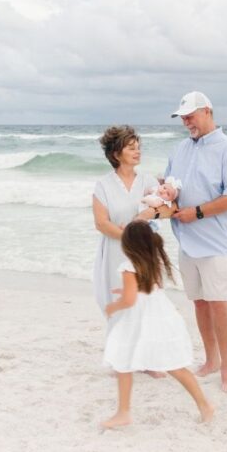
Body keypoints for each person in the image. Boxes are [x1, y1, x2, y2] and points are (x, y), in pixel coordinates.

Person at [167, 91, 227, 393]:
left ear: (208, 112)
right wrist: (166, 194)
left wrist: (198, 212)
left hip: (217, 242)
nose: (186, 121)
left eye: (190, 115)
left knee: (219, 303)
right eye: (183, 117)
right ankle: (211, 359)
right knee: (200, 302)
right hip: (187, 240)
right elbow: (170, 185)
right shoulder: (180, 150)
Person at [102, 221, 214, 429]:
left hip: (140, 321)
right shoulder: (152, 260)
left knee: (123, 363)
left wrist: (114, 307)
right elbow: (147, 289)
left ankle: (123, 412)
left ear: (127, 244)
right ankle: (204, 405)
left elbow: (129, 301)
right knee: (175, 366)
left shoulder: (128, 266)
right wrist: (126, 293)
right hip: (160, 316)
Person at [92, 125, 176, 378]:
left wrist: (149, 213)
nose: (137, 150)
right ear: (116, 153)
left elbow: (168, 209)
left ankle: (148, 360)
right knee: (120, 300)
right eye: (131, 147)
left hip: (145, 253)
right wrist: (129, 236)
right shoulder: (103, 185)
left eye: (138, 146)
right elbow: (101, 223)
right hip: (116, 251)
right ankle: (121, 359)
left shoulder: (148, 181)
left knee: (146, 301)